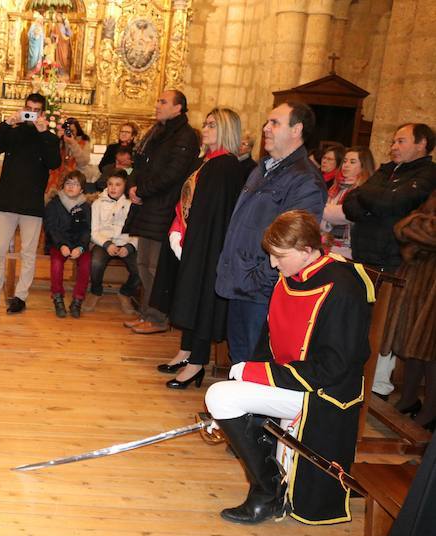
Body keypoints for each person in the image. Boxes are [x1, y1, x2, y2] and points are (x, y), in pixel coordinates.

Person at [205, 210, 373, 525]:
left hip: (324, 395)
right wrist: (251, 377)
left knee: (222, 396)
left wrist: (253, 376)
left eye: (279, 256)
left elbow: (333, 368)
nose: (272, 264)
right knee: (224, 398)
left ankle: (267, 494)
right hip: (296, 383)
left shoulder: (344, 288)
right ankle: (271, 485)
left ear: (307, 250)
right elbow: (269, 343)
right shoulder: (292, 276)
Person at [215, 102, 328, 363]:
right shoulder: (263, 168)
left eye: (274, 123)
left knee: (259, 360)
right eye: (267, 122)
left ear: (296, 129)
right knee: (240, 356)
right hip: (242, 280)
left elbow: (296, 240)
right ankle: (236, 405)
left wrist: (260, 277)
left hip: (263, 289)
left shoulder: (305, 179)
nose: (266, 128)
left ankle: (248, 405)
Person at [342, 123, 436, 400]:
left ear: (421, 145)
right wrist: (374, 198)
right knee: (360, 321)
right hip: (364, 255)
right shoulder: (386, 170)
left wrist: (368, 196)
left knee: (384, 325)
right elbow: (351, 204)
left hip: (392, 259)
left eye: (401, 141)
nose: (393, 147)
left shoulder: (427, 174)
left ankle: (378, 384)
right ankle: (357, 376)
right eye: (393, 141)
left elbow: (390, 204)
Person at [155, 108, 247, 389]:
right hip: (194, 241)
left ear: (226, 131)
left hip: (209, 248)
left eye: (211, 126)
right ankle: (185, 352)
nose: (204, 130)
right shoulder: (207, 162)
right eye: (205, 124)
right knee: (189, 298)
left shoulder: (226, 167)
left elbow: (215, 215)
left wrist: (194, 241)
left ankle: (196, 362)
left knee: (202, 302)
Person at [0, 93, 61, 314]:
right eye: (28, 108)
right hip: (8, 200)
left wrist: (43, 133)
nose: (31, 112)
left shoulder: (48, 137)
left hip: (31, 203)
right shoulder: (13, 131)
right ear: (24, 108)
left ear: (42, 113)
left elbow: (54, 162)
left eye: (36, 109)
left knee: (28, 253)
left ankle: (21, 297)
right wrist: (6, 123)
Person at [124, 89, 200, 334]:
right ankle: (146, 312)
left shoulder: (185, 136)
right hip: (148, 207)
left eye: (163, 101)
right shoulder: (158, 131)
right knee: (143, 263)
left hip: (164, 208)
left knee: (156, 267)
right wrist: (132, 187)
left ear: (178, 108)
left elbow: (172, 174)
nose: (157, 105)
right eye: (158, 100)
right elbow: (140, 162)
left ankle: (158, 317)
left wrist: (142, 190)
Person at [382, 191, 436, 430]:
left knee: (430, 349)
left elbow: (422, 230)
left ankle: (431, 409)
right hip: (421, 278)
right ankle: (409, 399)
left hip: (431, 281)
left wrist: (416, 222)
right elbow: (403, 229)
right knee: (413, 343)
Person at [84, 170, 140, 313]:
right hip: (104, 243)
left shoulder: (131, 204)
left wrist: (129, 246)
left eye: (118, 184)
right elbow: (94, 231)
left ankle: (125, 292)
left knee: (139, 269)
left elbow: (138, 231)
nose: (113, 188)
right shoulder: (97, 203)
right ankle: (96, 291)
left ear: (125, 186)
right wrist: (107, 244)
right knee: (96, 262)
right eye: (110, 184)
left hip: (125, 243)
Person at [43, 170, 91, 318]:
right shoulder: (54, 204)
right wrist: (61, 245)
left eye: (76, 184)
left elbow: (86, 229)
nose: (71, 187)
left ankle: (77, 300)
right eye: (68, 183)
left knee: (86, 264)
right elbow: (51, 228)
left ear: (82, 189)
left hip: (78, 244)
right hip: (59, 243)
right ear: (63, 185)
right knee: (56, 264)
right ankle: (58, 297)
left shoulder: (85, 206)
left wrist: (81, 247)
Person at [321, 146, 376, 259]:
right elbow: (324, 219)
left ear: (363, 166)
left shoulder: (365, 190)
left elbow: (345, 214)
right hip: (328, 245)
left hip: (349, 249)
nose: (346, 165)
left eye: (352, 162)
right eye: (345, 161)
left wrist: (320, 207)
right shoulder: (336, 187)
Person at [46, 117, 95, 198]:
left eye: (72, 131)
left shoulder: (84, 142)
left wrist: (73, 143)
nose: (70, 133)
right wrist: (57, 140)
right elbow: (50, 158)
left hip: (74, 178)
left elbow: (83, 162)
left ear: (77, 130)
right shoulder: (59, 140)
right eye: (68, 130)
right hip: (57, 176)